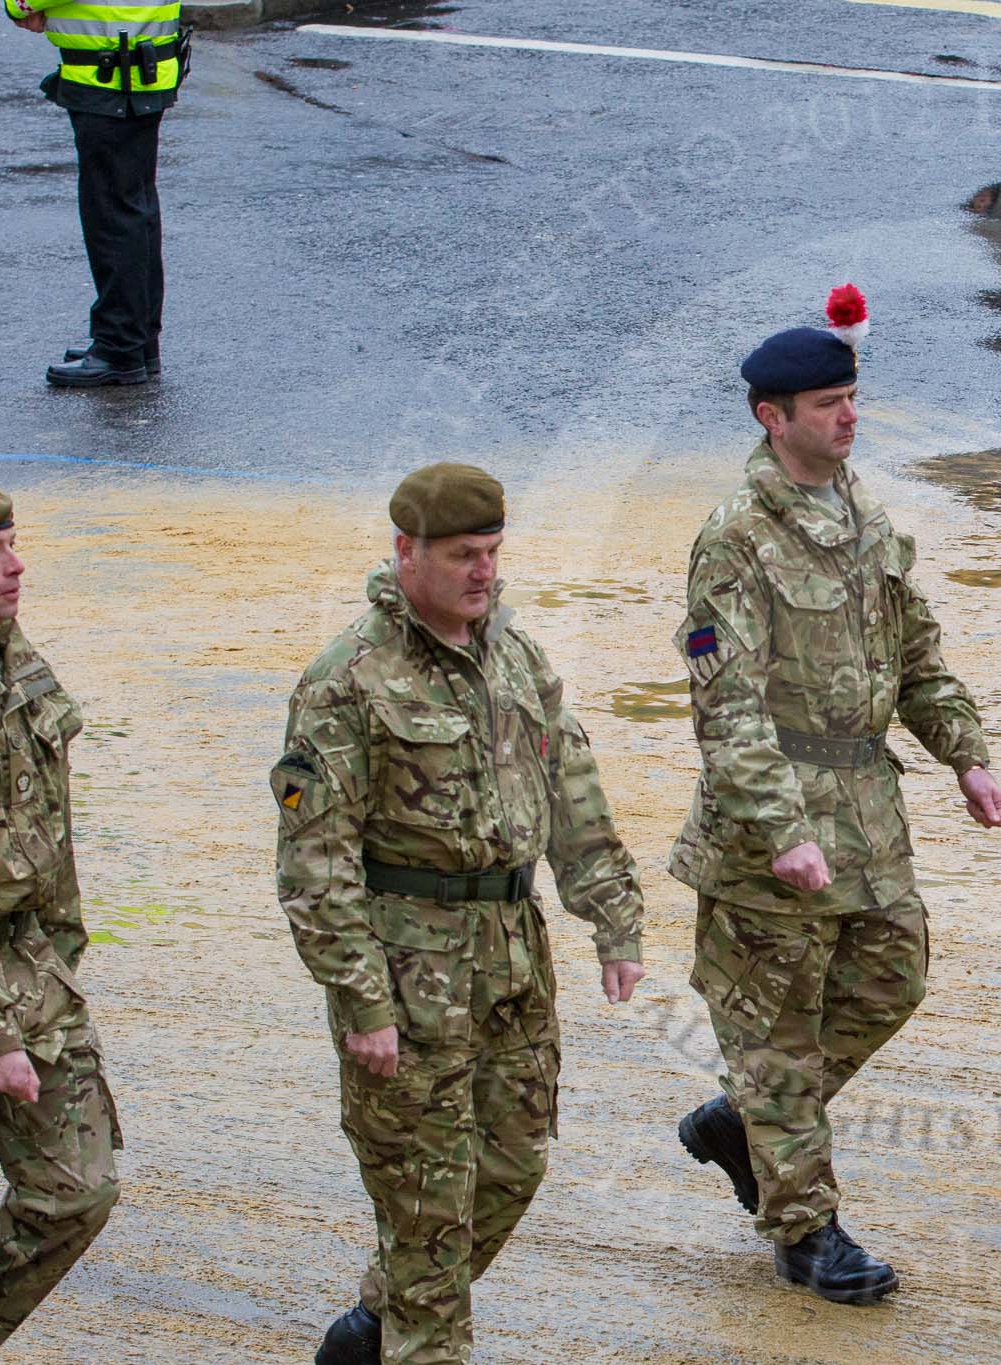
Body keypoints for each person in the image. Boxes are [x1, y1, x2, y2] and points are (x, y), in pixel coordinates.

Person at [670, 286, 1001, 1305]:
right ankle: (803, 1228)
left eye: (851, 397)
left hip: (864, 812)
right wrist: (779, 831)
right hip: (768, 826)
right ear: (772, 419)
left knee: (888, 982)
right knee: (777, 1031)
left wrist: (965, 752)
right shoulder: (733, 541)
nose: (848, 416)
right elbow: (723, 706)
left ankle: (741, 1124)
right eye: (825, 404)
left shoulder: (862, 512)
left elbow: (914, 651)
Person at [273, 464, 647, 1365]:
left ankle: (377, 1323)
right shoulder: (348, 680)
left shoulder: (515, 656)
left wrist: (613, 916)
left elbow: (573, 787)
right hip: (411, 977)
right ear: (407, 553)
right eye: (463, 556)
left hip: (514, 961)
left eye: (492, 553)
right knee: (429, 1211)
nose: (484, 573)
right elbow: (314, 865)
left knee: (513, 1165)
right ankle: (412, 1330)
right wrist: (362, 1001)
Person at [0, 478, 121, 1361]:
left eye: (14, 543)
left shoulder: (14, 657)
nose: (16, 566)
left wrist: (59, 957)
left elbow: (50, 815)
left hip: (29, 971)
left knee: (76, 1190)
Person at [5, 0, 187, 388]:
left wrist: (17, 5)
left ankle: (120, 348)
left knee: (113, 214)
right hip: (140, 64)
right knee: (135, 208)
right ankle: (136, 342)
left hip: (110, 75)